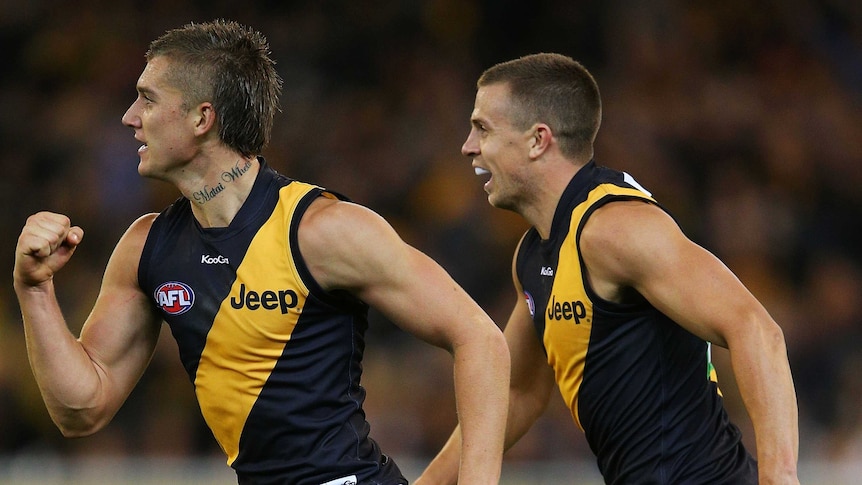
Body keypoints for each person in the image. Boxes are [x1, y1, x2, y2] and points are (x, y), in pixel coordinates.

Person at [13, 20, 510, 485]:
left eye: (146, 99)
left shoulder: (323, 229)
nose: (129, 117)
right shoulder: (147, 246)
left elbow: (480, 339)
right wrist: (34, 289)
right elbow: (81, 409)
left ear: (201, 118)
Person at [418, 53, 800, 484]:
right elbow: (517, 391)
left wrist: (780, 477)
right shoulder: (533, 255)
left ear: (537, 140)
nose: (468, 146)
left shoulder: (615, 228)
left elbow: (755, 329)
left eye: (482, 128)